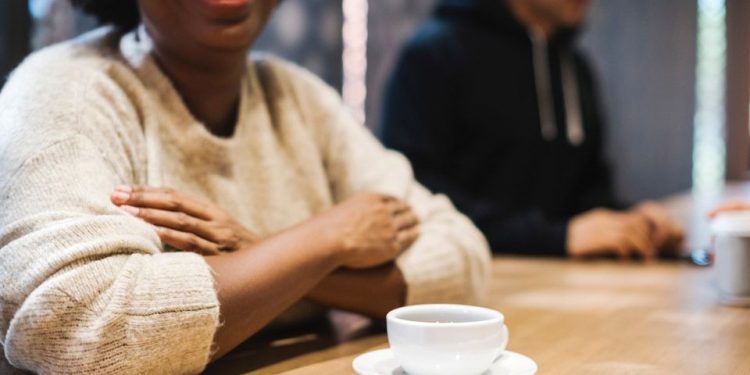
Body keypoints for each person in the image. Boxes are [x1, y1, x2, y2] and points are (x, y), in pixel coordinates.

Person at [0, 0, 491, 373]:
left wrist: (260, 253)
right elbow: (72, 324)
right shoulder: (62, 90)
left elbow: (462, 261)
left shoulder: (298, 96)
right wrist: (325, 240)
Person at [381, 0, 683, 259]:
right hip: (472, 291)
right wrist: (555, 238)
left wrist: (631, 220)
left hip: (563, 286)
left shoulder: (575, 67)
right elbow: (415, 194)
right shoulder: (433, 55)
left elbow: (585, 191)